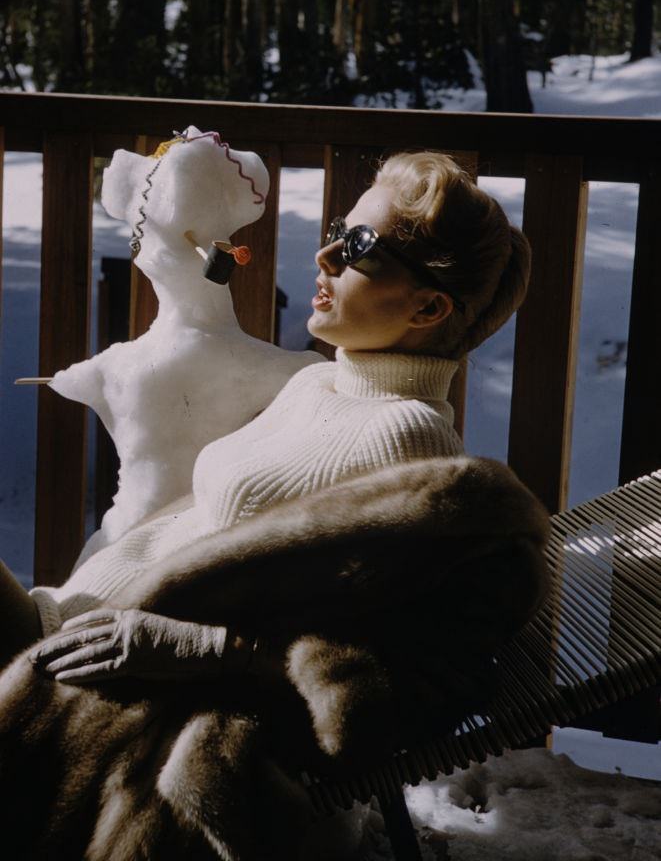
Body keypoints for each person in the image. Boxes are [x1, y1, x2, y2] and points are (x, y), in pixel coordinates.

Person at [0, 150, 535, 857]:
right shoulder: (318, 384)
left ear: (427, 306)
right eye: (341, 227)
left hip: (112, 695)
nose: (326, 252)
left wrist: (198, 647)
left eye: (360, 247)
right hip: (72, 629)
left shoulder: (408, 440)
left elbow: (398, 666)